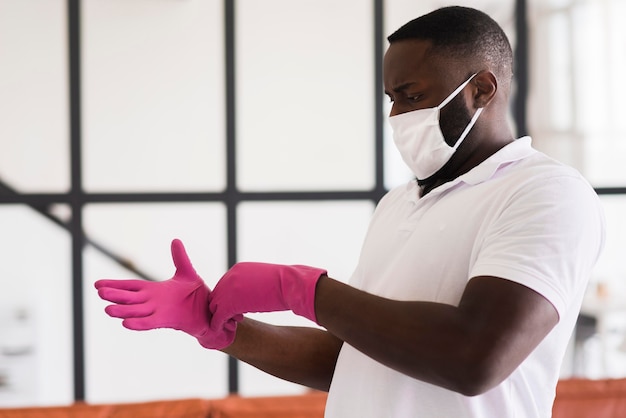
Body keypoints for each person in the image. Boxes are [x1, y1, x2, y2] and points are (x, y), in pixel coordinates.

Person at [95, 6, 605, 417]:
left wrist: (301, 288)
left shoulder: (546, 192)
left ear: (481, 90)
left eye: (412, 96)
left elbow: (475, 357)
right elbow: (355, 358)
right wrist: (224, 331)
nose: (397, 116)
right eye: (391, 98)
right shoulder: (400, 203)